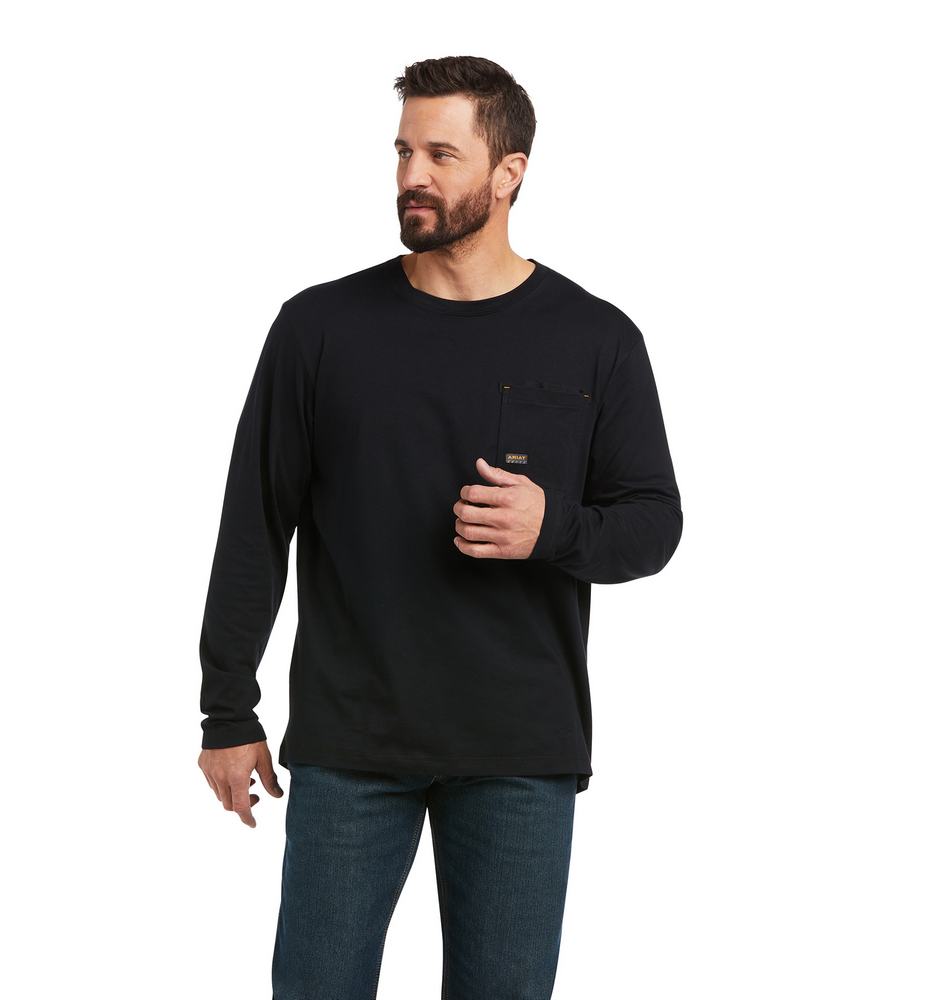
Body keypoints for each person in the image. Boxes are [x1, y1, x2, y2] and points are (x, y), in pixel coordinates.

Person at [197, 55, 682, 1000]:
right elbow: (254, 523)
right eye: (402, 151)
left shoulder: (597, 338)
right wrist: (227, 708)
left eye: (441, 155)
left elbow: (653, 524)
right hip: (350, 742)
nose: (411, 175)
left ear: (509, 172)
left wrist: (553, 527)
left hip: (520, 750)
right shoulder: (319, 328)